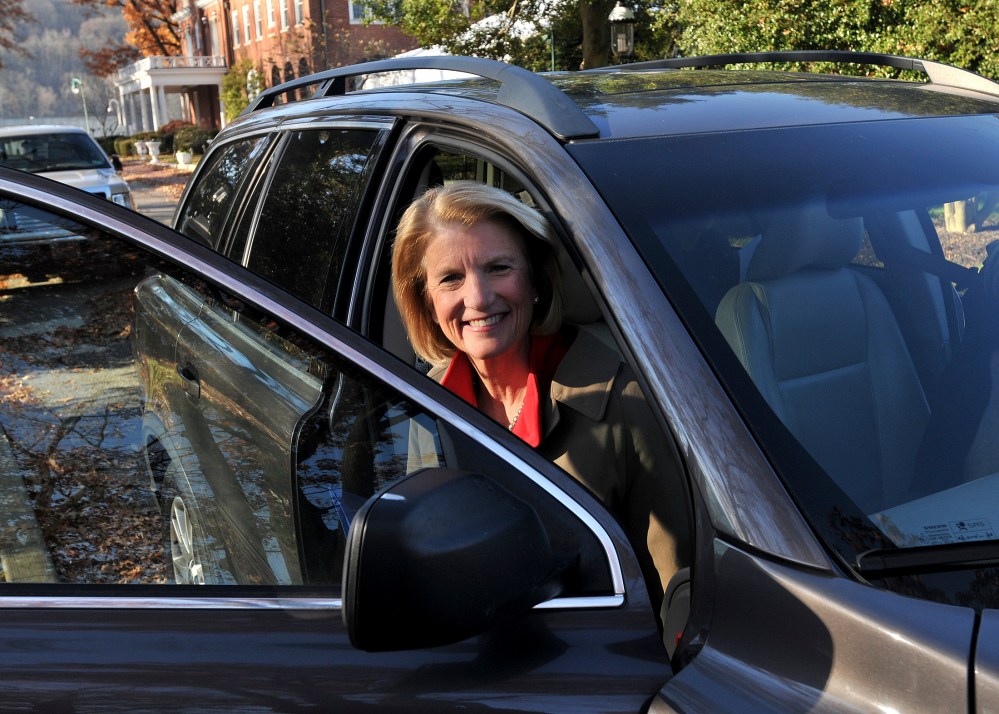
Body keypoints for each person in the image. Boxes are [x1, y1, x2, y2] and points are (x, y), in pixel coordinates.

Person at [391, 181, 689, 616]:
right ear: (427, 301)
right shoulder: (428, 404)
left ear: (535, 277)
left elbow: (678, 591)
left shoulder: (625, 400)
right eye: (451, 278)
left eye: (498, 268)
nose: (477, 297)